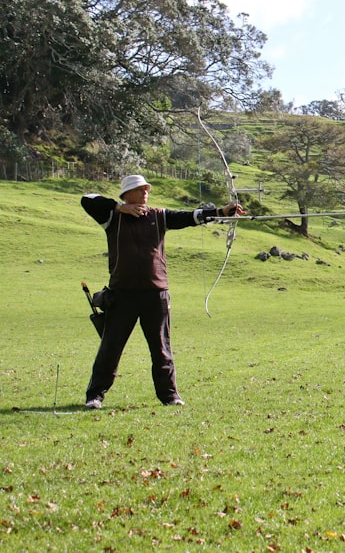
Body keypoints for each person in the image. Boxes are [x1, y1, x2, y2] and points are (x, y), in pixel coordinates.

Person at [80, 174, 244, 409]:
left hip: (155, 294)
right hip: (122, 294)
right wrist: (120, 208)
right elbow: (87, 199)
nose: (145, 192)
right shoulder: (110, 216)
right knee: (110, 348)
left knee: (161, 348)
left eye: (147, 188)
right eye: (139, 189)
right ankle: (95, 396)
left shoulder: (158, 216)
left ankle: (170, 396)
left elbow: (189, 217)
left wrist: (219, 212)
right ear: (127, 194)